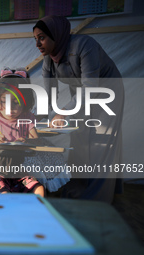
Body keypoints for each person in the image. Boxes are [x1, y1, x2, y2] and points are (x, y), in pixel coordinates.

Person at [33, 15, 124, 203]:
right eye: (35, 39)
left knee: (101, 142)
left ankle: (96, 201)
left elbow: (90, 86)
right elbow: (48, 97)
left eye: (41, 38)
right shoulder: (49, 60)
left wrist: (64, 111)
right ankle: (77, 191)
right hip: (81, 95)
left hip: (107, 93)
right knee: (78, 139)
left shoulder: (84, 45)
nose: (37, 44)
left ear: (55, 35)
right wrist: (35, 119)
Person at [0, 68, 45, 196]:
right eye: (5, 102)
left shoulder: (26, 118)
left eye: (16, 103)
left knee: (39, 189)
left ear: (25, 103)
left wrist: (26, 141)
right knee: (3, 193)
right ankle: (8, 215)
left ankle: (35, 214)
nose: (9, 108)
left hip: (16, 171)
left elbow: (36, 140)